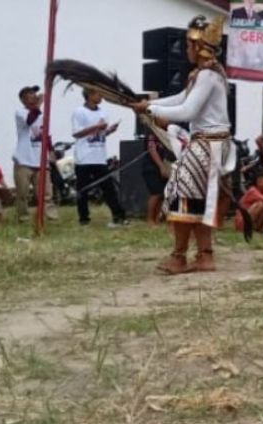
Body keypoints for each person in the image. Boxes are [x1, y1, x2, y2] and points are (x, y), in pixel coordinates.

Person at [129, 15, 231, 274]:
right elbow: (181, 98)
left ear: (198, 47)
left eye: (188, 44)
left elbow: (187, 110)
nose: (185, 49)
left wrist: (150, 110)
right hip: (210, 144)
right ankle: (204, 256)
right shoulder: (206, 74)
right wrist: (149, 105)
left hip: (207, 145)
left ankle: (179, 256)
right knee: (196, 202)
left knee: (183, 200)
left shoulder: (207, 75)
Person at [71, 87, 126, 227]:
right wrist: (96, 127)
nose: (101, 96)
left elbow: (100, 134)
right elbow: (77, 134)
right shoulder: (80, 112)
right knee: (83, 189)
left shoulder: (103, 112)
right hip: (84, 158)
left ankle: (118, 216)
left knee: (108, 188)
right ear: (89, 95)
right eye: (98, 93)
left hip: (99, 157)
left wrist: (108, 131)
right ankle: (84, 219)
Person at [13, 85, 56, 223]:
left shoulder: (43, 115)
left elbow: (45, 134)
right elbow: (30, 120)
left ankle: (50, 216)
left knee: (46, 192)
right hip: (24, 160)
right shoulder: (20, 112)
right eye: (29, 94)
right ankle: (23, 217)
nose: (34, 96)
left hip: (40, 159)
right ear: (23, 100)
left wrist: (51, 151)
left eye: (34, 93)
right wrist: (38, 105)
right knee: (23, 193)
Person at [144, 128, 175, 226]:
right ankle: (150, 219)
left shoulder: (168, 131)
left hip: (166, 165)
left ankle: (158, 218)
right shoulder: (152, 132)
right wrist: (161, 166)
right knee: (156, 193)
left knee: (163, 194)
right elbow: (152, 149)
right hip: (152, 167)